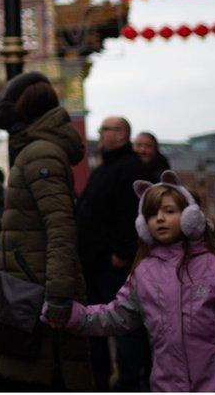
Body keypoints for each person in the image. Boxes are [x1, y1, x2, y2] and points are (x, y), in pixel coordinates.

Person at [45, 171, 215, 391]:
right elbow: (116, 316)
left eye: (169, 211)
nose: (159, 218)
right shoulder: (144, 273)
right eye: (152, 214)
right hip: (167, 386)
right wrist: (71, 315)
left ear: (191, 216)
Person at [0, 71, 93, 390]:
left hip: (34, 292)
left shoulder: (40, 153)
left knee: (38, 377)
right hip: (27, 286)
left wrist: (59, 293)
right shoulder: (36, 149)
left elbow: (60, 225)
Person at [75, 116, 151, 390]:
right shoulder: (103, 168)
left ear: (121, 134)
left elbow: (131, 215)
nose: (101, 134)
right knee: (94, 325)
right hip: (94, 263)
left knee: (124, 326)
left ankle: (128, 384)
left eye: (106, 129)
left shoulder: (130, 168)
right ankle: (102, 381)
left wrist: (121, 254)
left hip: (113, 264)